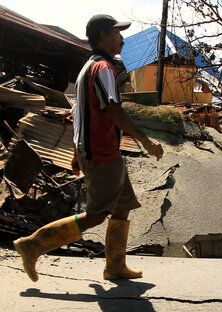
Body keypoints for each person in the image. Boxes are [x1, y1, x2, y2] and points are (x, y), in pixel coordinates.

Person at [13, 14, 164, 282]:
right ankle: (33, 245)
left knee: (122, 206)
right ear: (104, 35)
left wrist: (75, 153)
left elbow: (78, 113)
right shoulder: (103, 68)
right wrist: (146, 140)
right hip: (101, 152)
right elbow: (113, 110)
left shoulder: (88, 67)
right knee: (96, 215)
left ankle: (115, 266)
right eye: (118, 33)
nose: (122, 39)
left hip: (100, 151)